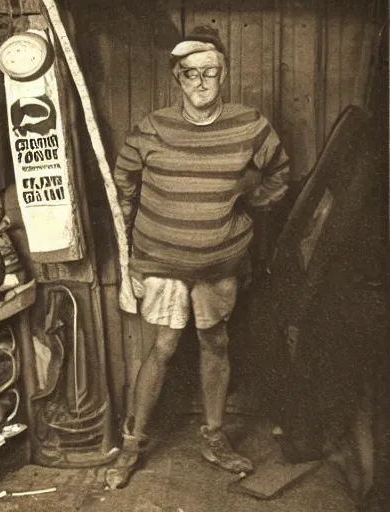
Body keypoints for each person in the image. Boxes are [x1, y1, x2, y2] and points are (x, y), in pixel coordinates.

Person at [106, 25, 290, 490]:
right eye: (191, 74)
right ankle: (133, 444)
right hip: (161, 262)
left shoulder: (250, 125)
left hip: (219, 264)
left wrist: (245, 207)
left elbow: (280, 175)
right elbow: (122, 186)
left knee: (215, 343)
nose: (201, 82)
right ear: (177, 78)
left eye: (211, 72)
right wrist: (129, 251)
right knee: (164, 346)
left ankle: (214, 437)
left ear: (224, 74)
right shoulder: (152, 128)